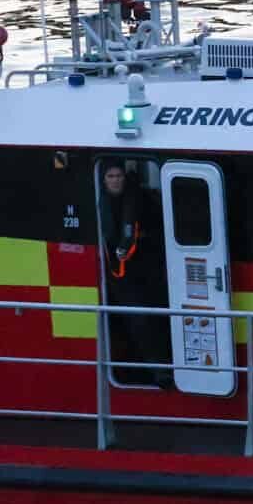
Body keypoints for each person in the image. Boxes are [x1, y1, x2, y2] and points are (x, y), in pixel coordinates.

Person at [98, 161, 169, 386]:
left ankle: (161, 367)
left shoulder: (141, 199)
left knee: (150, 317)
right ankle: (153, 367)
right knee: (135, 320)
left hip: (145, 266)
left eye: (118, 175)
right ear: (103, 180)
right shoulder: (100, 203)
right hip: (117, 273)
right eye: (110, 176)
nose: (115, 180)